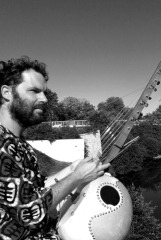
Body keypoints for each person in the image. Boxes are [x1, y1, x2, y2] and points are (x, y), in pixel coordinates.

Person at [0, 56, 110, 240]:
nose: (44, 98)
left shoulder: (19, 143)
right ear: (6, 93)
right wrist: (77, 177)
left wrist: (71, 169)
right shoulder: (2, 144)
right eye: (34, 91)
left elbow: (36, 188)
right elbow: (28, 212)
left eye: (44, 92)